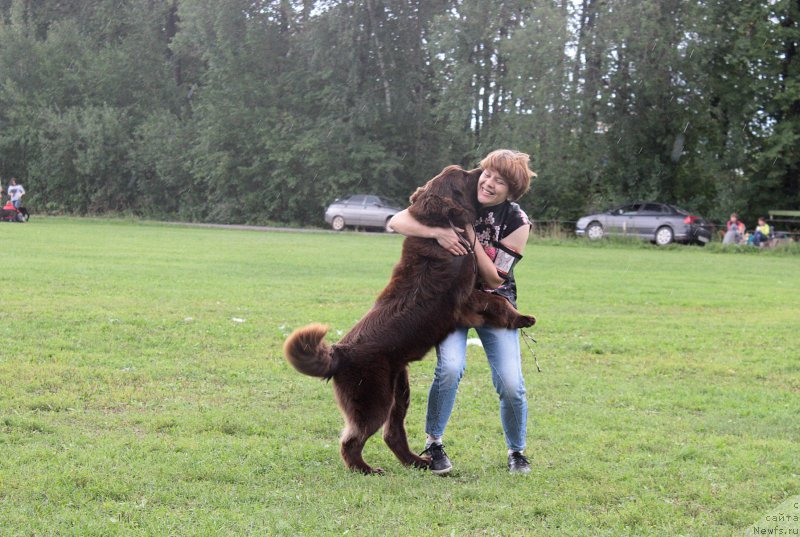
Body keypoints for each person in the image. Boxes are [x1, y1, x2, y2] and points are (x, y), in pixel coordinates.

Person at [389, 149, 536, 474]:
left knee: (511, 383)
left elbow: (494, 277)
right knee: (450, 369)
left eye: (500, 181)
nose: (488, 183)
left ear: (511, 191)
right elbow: (396, 220)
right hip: (452, 303)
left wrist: (469, 235)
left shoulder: (517, 222)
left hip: (494, 305)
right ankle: (434, 443)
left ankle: (517, 451)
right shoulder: (458, 190)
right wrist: (437, 232)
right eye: (487, 174)